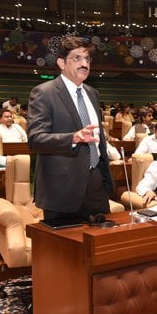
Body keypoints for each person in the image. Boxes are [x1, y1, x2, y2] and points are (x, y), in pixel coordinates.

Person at [27, 36, 114, 222]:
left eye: (87, 58)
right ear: (61, 63)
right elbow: (35, 140)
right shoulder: (44, 93)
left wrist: (105, 179)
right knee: (65, 250)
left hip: (96, 186)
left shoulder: (92, 93)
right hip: (62, 189)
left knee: (101, 247)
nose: (84, 63)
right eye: (77, 58)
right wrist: (73, 138)